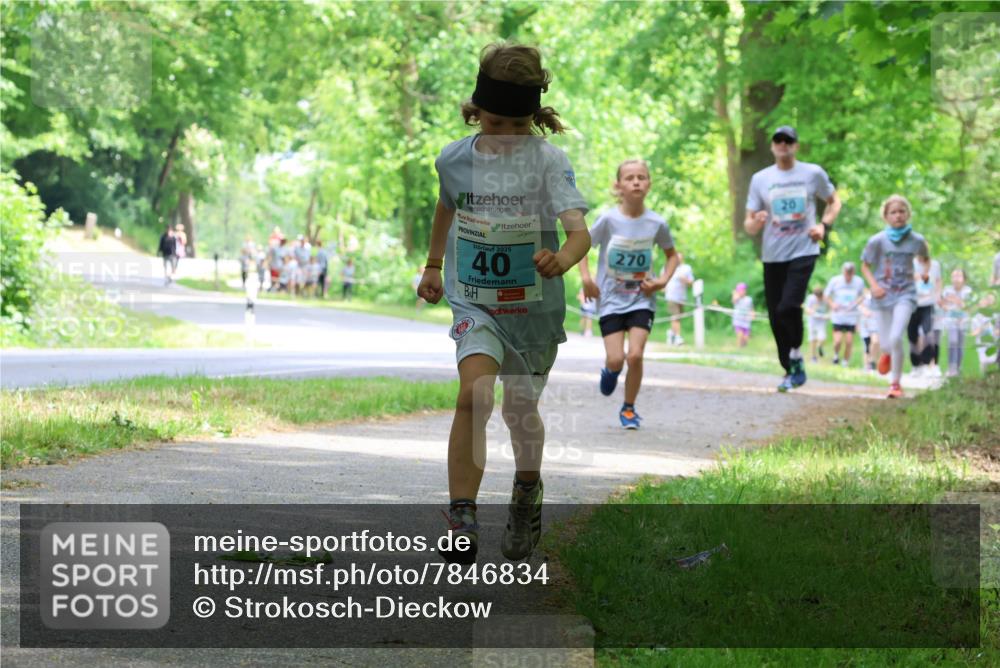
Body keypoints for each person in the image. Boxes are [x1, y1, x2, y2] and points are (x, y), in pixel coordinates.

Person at [415, 42, 590, 565]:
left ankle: (526, 490)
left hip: (533, 313)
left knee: (519, 412)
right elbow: (448, 206)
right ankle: (462, 512)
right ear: (475, 113)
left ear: (534, 119)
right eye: (495, 124)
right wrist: (432, 265)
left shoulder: (549, 162)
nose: (508, 137)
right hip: (475, 303)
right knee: (475, 393)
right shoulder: (453, 158)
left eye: (519, 126)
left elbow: (580, 233)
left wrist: (563, 258)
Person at [580, 159, 677, 429]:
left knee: (634, 355)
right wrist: (587, 279)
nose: (636, 181)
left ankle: (629, 408)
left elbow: (672, 256)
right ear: (618, 186)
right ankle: (611, 370)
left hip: (641, 299)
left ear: (649, 184)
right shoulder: (608, 220)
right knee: (616, 358)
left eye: (641, 177)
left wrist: (661, 281)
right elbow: (582, 247)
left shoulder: (657, 223)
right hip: (610, 299)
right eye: (630, 177)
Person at [744, 125, 842, 392]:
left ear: (796, 146)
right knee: (776, 315)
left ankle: (796, 355)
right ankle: (790, 367)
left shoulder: (812, 173)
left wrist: (823, 226)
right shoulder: (760, 179)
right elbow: (749, 224)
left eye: (789, 140)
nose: (783, 144)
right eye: (778, 140)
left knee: (789, 306)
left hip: (804, 249)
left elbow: (834, 202)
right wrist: (758, 220)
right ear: (773, 145)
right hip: (773, 254)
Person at [860, 194, 930, 398]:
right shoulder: (877, 241)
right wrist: (874, 286)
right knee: (886, 343)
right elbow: (865, 265)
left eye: (901, 211)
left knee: (896, 335)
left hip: (905, 294)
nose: (898, 216)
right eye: (893, 212)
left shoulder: (916, 240)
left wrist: (924, 272)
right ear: (886, 216)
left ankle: (895, 384)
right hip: (882, 295)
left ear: (908, 214)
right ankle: (887, 353)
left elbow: (925, 259)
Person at [908, 253, 942, 378]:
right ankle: (916, 365)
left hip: (929, 304)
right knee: (912, 336)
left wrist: (938, 295)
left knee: (928, 333)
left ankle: (928, 363)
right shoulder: (910, 263)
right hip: (913, 304)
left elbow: (938, 281)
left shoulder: (935, 265)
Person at [824, 262, 864, 367]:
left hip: (851, 316)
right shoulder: (835, 281)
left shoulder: (859, 281)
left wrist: (856, 303)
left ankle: (845, 361)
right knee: (837, 341)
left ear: (853, 272)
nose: (848, 275)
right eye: (847, 272)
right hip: (838, 316)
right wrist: (832, 304)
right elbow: (826, 295)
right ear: (843, 271)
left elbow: (862, 295)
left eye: (850, 273)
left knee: (849, 341)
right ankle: (836, 355)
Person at [940, 267, 972, 377]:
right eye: (954, 276)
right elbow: (942, 304)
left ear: (964, 279)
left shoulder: (968, 291)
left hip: (963, 322)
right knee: (953, 342)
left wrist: (956, 301)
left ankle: (958, 368)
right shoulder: (947, 290)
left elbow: (968, 307)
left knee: (960, 345)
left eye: (959, 276)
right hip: (951, 321)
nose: (956, 279)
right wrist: (947, 307)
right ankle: (952, 368)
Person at [664, 252, 693, 346]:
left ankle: (671, 333)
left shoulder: (686, 268)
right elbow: (662, 281)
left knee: (679, 317)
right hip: (671, 296)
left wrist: (685, 280)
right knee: (675, 316)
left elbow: (691, 282)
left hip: (681, 297)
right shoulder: (667, 267)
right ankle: (678, 337)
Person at [804, 285, 828, 363]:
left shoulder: (826, 298)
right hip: (812, 321)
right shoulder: (811, 298)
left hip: (821, 321)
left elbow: (831, 309)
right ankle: (813, 357)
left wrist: (827, 315)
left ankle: (819, 346)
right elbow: (807, 310)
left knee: (822, 337)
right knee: (812, 339)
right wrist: (813, 309)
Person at [859, 289, 881, 372]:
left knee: (875, 342)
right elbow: (858, 304)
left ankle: (872, 361)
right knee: (866, 345)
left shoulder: (880, 297)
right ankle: (866, 366)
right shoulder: (866, 296)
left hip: (875, 324)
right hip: (865, 325)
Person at [731, 282, 754, 347]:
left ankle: (744, 347)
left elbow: (751, 308)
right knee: (740, 336)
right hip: (738, 320)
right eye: (741, 289)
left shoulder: (749, 299)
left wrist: (752, 315)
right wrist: (735, 294)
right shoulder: (736, 298)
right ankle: (739, 347)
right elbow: (734, 300)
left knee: (745, 338)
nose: (743, 291)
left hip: (746, 321)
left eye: (744, 289)